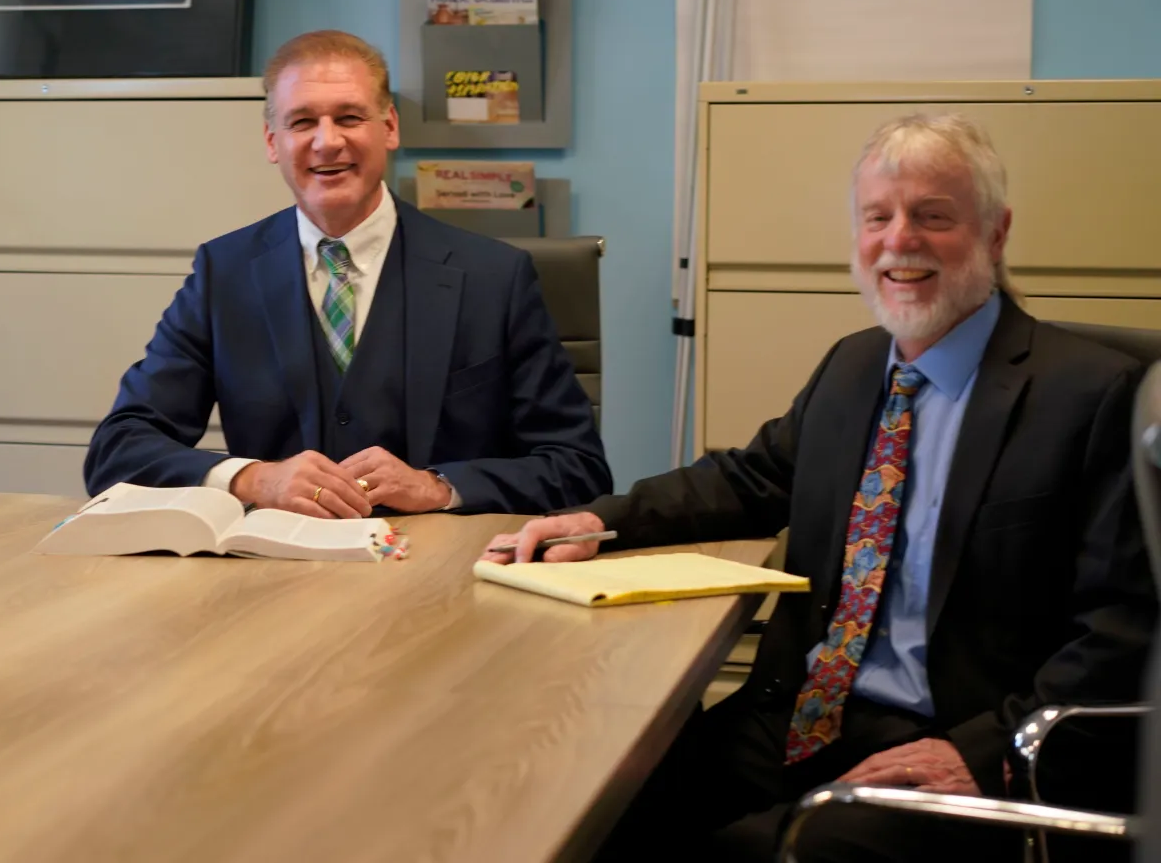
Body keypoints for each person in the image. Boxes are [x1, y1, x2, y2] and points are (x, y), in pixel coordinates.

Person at [485, 114, 1156, 862]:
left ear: (995, 234)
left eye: (933, 216)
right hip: (804, 714)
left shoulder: (1093, 396)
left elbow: (1122, 627)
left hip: (952, 743)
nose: (900, 240)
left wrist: (982, 752)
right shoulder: (854, 366)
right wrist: (596, 521)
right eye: (879, 217)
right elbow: (751, 477)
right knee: (585, 802)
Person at [84, 30, 610, 516]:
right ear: (273, 142)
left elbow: (579, 467)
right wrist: (251, 479)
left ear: (390, 128)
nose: (327, 142)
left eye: (350, 118)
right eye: (303, 121)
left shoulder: (495, 277)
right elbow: (119, 450)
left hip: (443, 579)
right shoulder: (225, 274)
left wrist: (439, 486)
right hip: (276, 577)